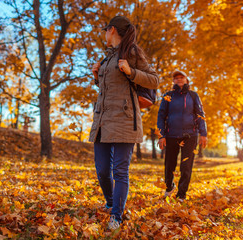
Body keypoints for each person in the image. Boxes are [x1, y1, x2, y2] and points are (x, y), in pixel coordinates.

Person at [89, 16, 159, 230]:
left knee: (120, 171)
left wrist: (131, 71)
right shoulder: (107, 57)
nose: (104, 34)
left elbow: (154, 80)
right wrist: (96, 77)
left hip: (125, 120)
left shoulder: (132, 52)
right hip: (102, 119)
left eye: (105, 30)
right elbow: (110, 88)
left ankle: (116, 216)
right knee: (102, 170)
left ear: (111, 30)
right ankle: (110, 203)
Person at [157, 70, 207, 201]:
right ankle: (169, 186)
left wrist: (203, 133)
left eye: (181, 77)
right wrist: (161, 135)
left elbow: (200, 114)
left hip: (190, 135)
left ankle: (181, 194)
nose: (179, 79)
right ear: (173, 81)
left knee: (186, 166)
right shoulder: (168, 96)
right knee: (169, 165)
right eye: (176, 78)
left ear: (186, 80)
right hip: (171, 135)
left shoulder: (193, 95)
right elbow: (161, 116)